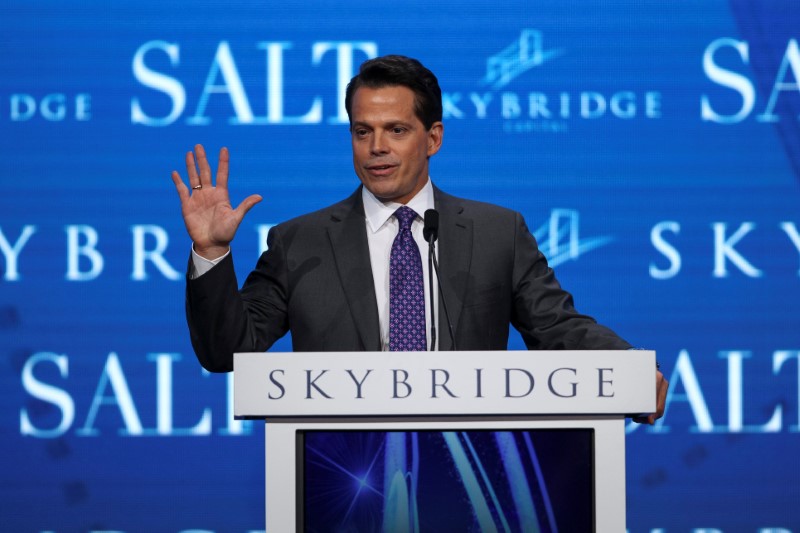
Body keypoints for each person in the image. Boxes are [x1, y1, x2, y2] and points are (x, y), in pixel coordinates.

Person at [171, 55, 667, 424]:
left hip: (470, 467)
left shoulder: (497, 233)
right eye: (362, 131)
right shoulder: (299, 243)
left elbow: (557, 328)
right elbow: (226, 353)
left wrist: (626, 370)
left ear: (433, 139)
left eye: (396, 130)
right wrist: (212, 252)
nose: (377, 148)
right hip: (343, 478)